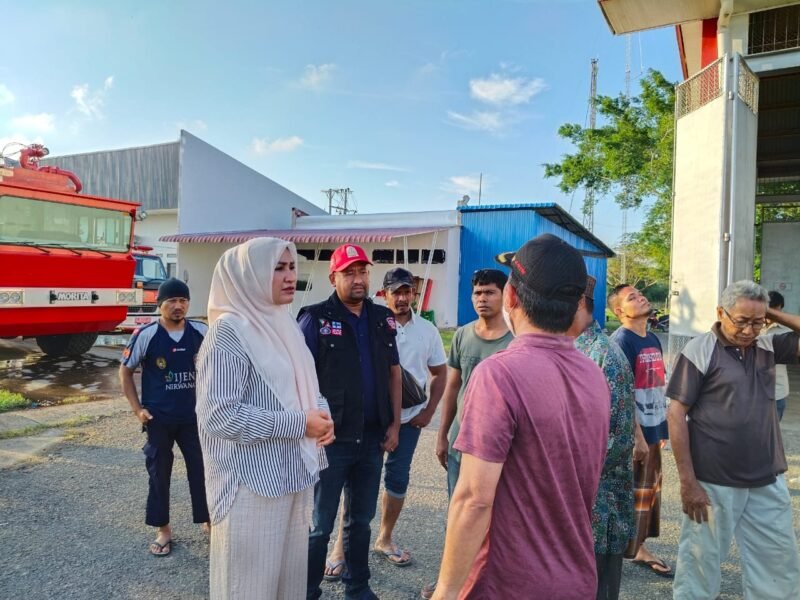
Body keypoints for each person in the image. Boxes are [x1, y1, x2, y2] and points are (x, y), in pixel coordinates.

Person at [432, 234, 611, 599]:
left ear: (510, 297)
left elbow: (473, 499)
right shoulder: (593, 373)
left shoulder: (500, 374)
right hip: (576, 578)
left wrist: (445, 593)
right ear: (578, 303)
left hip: (508, 583)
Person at [194, 238, 334, 599]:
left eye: (291, 268)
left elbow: (304, 386)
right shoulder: (228, 333)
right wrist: (300, 424)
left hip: (292, 474)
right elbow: (219, 415)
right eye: (278, 268)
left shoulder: (283, 324)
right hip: (251, 485)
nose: (290, 277)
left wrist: (322, 415)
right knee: (248, 588)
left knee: (287, 587)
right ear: (249, 274)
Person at [667, 280, 800, 599]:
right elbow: (676, 415)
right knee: (699, 564)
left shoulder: (767, 346)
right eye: (742, 320)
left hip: (766, 478)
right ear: (720, 313)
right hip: (713, 482)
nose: (749, 330)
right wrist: (688, 483)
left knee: (778, 564)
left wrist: (766, 311)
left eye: (758, 322)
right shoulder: (700, 349)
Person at [323, 267, 447, 579]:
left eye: (408, 292)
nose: (403, 298)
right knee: (356, 482)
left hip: (409, 421)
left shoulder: (428, 331)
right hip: (373, 419)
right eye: (397, 292)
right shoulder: (374, 323)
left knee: (398, 479)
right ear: (385, 294)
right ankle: (340, 546)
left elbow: (440, 373)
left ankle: (385, 538)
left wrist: (429, 411)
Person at [299, 244, 402, 600]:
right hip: (331, 441)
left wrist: (395, 425)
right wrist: (309, 425)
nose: (358, 279)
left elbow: (393, 372)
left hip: (371, 440)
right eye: (349, 272)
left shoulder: (381, 317)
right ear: (333, 277)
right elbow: (299, 378)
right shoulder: (314, 319)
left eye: (362, 272)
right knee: (319, 525)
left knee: (360, 521)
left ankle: (357, 587)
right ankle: (307, 591)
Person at [421, 267, 512, 600]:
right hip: (463, 442)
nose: (482, 299)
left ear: (505, 296)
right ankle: (451, 583)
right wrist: (442, 434)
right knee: (458, 515)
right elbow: (453, 385)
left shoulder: (514, 339)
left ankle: (490, 585)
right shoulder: (462, 335)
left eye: (490, 292)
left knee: (496, 519)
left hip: (500, 450)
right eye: (477, 293)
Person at [119, 277, 210, 557]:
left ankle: (209, 521)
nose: (178, 306)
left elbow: (219, 367)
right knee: (159, 474)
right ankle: (164, 529)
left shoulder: (201, 331)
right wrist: (138, 410)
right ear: (160, 305)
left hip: (193, 418)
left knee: (203, 470)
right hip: (157, 418)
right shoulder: (146, 335)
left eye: (183, 300)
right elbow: (125, 371)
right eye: (171, 301)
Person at [568, 275, 639, 600]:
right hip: (574, 509)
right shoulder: (573, 350)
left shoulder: (603, 357)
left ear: (578, 304)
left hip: (596, 512)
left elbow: (617, 442)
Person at [607, 284, 672, 578]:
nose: (641, 297)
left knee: (650, 492)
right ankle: (628, 549)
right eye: (632, 297)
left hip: (655, 427)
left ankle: (638, 545)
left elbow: (657, 385)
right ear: (620, 312)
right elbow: (620, 393)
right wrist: (637, 437)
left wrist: (664, 428)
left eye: (639, 294)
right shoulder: (621, 341)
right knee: (634, 492)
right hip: (638, 433)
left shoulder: (653, 338)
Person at [764, 290, 791, 420]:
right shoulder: (752, 327)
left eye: (777, 310)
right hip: (751, 391)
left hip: (777, 392)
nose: (774, 314)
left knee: (773, 433)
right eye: (770, 310)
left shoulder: (787, 330)